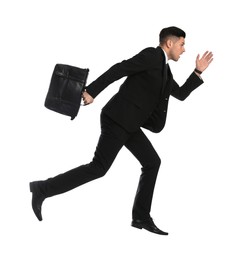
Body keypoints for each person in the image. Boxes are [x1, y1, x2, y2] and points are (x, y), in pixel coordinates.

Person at [30, 26, 213, 235]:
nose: (184, 49)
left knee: (152, 162)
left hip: (130, 124)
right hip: (117, 119)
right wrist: (92, 91)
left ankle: (141, 217)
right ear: (169, 43)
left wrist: (197, 72)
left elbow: (179, 94)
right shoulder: (152, 55)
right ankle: (41, 189)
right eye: (182, 44)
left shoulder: (165, 70)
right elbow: (120, 69)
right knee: (98, 168)